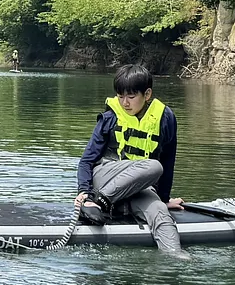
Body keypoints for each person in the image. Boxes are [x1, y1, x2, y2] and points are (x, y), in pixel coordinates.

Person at [73, 65, 188, 258]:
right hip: (105, 177)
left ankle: (176, 259)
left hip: (138, 186)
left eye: (131, 96)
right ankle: (100, 201)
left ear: (147, 94)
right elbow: (87, 160)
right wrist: (84, 191)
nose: (125, 102)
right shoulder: (110, 118)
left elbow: (169, 160)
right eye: (120, 96)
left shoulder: (165, 118)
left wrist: (164, 198)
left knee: (159, 211)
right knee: (153, 166)